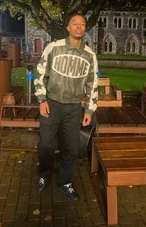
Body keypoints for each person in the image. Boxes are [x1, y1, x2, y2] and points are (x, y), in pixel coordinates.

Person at [34, 13, 98, 201]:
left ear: (85, 29)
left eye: (82, 24)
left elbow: (92, 83)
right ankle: (44, 174)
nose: (79, 27)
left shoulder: (90, 55)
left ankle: (65, 181)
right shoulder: (54, 48)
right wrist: (42, 100)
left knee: (71, 148)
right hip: (52, 104)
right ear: (68, 27)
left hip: (73, 108)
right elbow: (40, 74)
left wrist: (89, 110)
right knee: (46, 144)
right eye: (75, 24)